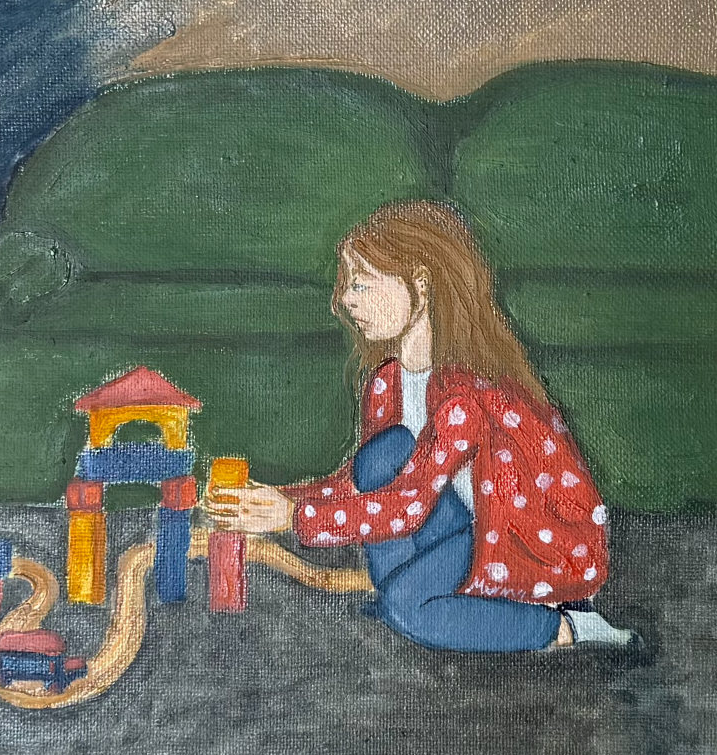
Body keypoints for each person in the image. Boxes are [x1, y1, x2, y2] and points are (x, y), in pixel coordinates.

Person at [205, 201, 638, 652]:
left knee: (411, 609)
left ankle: (568, 626)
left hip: (516, 544)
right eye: (348, 285)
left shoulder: (465, 394)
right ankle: (406, 596)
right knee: (385, 453)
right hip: (458, 524)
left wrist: (294, 518)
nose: (346, 300)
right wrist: (278, 500)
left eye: (362, 283)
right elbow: (360, 483)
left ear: (422, 284)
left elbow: (409, 506)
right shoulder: (387, 382)